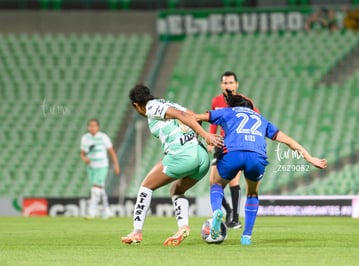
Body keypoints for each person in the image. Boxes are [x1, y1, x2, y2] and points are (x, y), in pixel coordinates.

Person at [196, 92, 327, 245]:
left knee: (216, 183)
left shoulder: (227, 111)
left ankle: (217, 210)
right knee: (252, 192)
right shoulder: (261, 119)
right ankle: (246, 237)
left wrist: (202, 134)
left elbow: (196, 118)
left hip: (233, 153)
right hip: (256, 156)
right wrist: (310, 158)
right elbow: (289, 141)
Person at [121, 84, 223, 246]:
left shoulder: (151, 107)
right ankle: (183, 227)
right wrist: (196, 136)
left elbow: (182, 115)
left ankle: (137, 232)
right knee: (177, 190)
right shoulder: (168, 103)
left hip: (182, 156)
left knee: (145, 187)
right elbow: (192, 116)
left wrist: (205, 135)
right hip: (201, 157)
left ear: (136, 106)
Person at [209, 71, 259, 229]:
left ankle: (235, 219)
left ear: (236, 85)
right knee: (213, 182)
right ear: (221, 85)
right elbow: (213, 121)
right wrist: (211, 138)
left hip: (237, 143)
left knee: (234, 180)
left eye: (231, 83)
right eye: (225, 83)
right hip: (220, 143)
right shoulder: (216, 101)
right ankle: (228, 211)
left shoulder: (244, 102)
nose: (228, 86)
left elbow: (256, 118)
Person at [80, 119, 120, 219]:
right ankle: (107, 211)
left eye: (94, 126)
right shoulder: (85, 138)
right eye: (90, 126)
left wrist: (116, 165)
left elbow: (111, 151)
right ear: (88, 127)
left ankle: (92, 212)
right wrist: (85, 159)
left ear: (98, 127)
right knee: (100, 188)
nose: (92, 128)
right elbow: (82, 153)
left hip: (102, 166)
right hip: (91, 167)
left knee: (95, 187)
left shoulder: (103, 137)